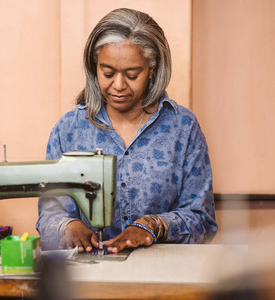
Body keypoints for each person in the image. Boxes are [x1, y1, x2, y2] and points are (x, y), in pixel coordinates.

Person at [36, 8, 217, 252]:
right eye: (107, 73)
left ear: (152, 69)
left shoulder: (182, 127)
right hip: (89, 277)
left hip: (163, 276)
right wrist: (68, 225)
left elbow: (202, 220)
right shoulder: (68, 130)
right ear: (94, 67)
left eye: (132, 74)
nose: (118, 85)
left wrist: (154, 225)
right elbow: (50, 215)